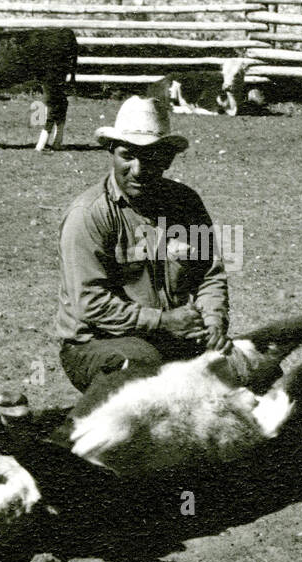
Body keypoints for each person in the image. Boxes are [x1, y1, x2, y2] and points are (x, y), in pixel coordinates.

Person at [57, 95, 229, 392]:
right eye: (128, 155)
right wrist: (163, 321)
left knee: (254, 373)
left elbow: (208, 274)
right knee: (144, 371)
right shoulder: (88, 215)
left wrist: (213, 324)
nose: (137, 169)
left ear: (167, 158)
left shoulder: (186, 203)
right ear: (111, 151)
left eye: (150, 157)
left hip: (171, 337)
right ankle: (67, 437)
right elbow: (91, 304)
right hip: (97, 344)